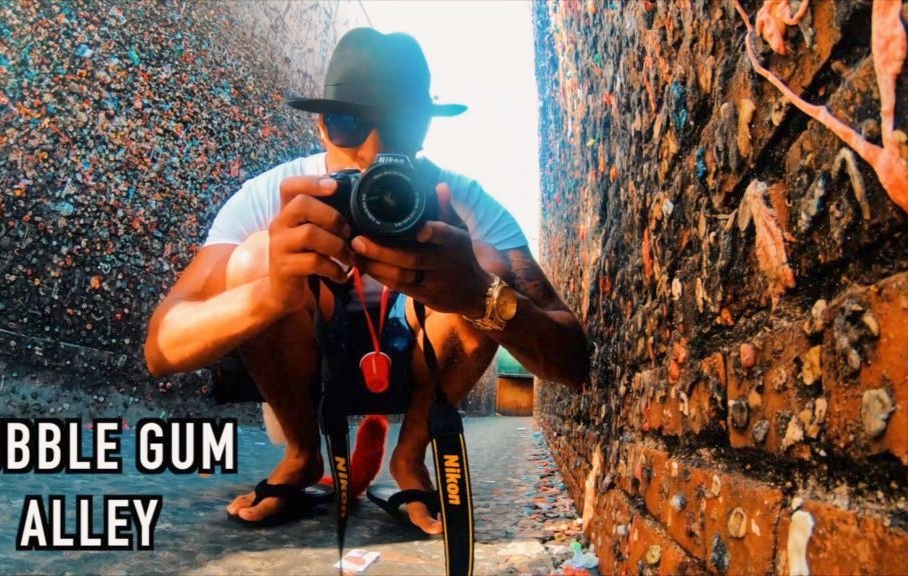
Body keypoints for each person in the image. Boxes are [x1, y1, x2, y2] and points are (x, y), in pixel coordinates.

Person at [144, 27, 588, 534]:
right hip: (306, 367)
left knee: (486, 265)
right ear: (322, 126)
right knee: (256, 258)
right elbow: (161, 349)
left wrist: (475, 294)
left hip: (417, 367)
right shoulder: (276, 194)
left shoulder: (460, 200)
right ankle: (303, 453)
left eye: (397, 123)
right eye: (350, 122)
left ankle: (409, 458)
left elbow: (574, 361)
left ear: (423, 127)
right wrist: (270, 293)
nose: (373, 150)